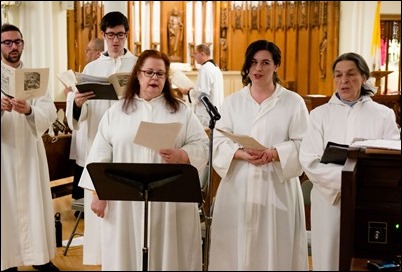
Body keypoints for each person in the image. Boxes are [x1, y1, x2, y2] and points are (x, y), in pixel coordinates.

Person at [78, 49, 209, 271]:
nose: (154, 78)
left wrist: (183, 155)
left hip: (169, 201)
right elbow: (99, 154)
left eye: (160, 74)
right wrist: (97, 193)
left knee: (168, 255)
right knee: (126, 254)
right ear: (137, 75)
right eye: (149, 72)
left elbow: (202, 145)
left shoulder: (181, 111)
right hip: (125, 199)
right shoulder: (117, 111)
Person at [208, 40, 309, 271]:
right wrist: (240, 153)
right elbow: (219, 142)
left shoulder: (293, 102)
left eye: (265, 62)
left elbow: (304, 144)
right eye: (253, 62)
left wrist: (275, 153)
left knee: (276, 247)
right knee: (234, 248)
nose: (258, 69)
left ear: (276, 66)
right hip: (238, 186)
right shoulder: (232, 102)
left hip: (277, 188)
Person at [299, 52, 400, 271]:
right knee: (328, 260)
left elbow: (390, 159)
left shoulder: (383, 115)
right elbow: (309, 160)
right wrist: (347, 181)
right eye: (338, 75)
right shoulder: (319, 115)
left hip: (370, 201)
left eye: (351, 74)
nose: (344, 80)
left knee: (365, 259)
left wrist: (361, 185)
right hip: (329, 200)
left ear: (364, 77)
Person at [65, 11, 138, 266]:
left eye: (120, 35)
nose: (115, 40)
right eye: (110, 35)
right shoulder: (91, 68)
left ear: (126, 35)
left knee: (128, 217)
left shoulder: (138, 66)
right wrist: (77, 103)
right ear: (103, 35)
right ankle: (108, 262)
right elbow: (77, 115)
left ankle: (130, 260)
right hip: (99, 147)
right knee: (102, 216)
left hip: (130, 150)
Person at [1, 23, 60, 272]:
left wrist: (30, 110)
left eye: (18, 42)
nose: (14, 46)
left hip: (29, 150)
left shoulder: (35, 76)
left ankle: (40, 258)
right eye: (8, 42)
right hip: (4, 152)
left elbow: (49, 109)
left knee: (35, 203)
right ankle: (7, 260)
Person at [65, 37, 105, 205]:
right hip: (88, 129)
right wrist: (74, 97)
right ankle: (81, 201)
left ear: (97, 53)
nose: (86, 53)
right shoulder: (89, 70)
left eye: (89, 50)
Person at [180, 43, 224, 128]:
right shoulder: (215, 67)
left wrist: (188, 92)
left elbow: (202, 93)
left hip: (207, 113)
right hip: (216, 108)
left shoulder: (205, 69)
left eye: (196, 53)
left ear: (202, 54)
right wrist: (194, 88)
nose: (194, 56)